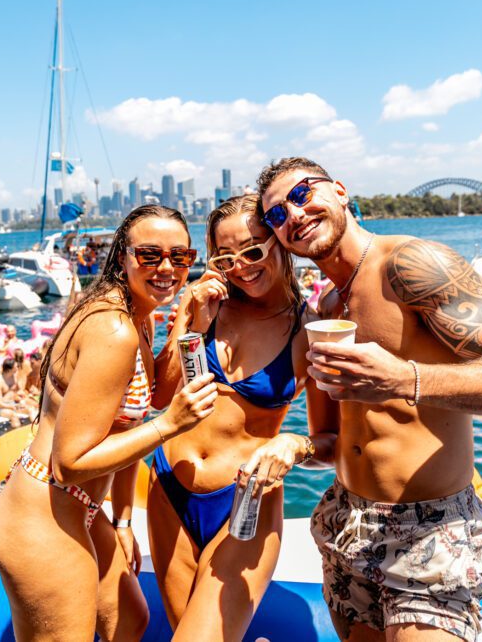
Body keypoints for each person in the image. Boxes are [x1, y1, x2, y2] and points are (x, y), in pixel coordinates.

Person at [257, 156, 482, 642]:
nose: (292, 216)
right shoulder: (328, 308)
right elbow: (334, 441)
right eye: (276, 215)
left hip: (429, 527)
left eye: (302, 194)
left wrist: (406, 379)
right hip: (347, 520)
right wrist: (293, 446)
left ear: (339, 191)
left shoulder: (411, 264)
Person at [0, 205, 218, 641]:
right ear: (122, 257)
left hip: (83, 511)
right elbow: (70, 463)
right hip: (45, 516)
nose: (167, 267)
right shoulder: (114, 330)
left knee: (129, 620)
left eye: (180, 257)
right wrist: (170, 425)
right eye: (150, 255)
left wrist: (124, 521)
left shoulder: (137, 315)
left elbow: (132, 422)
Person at [149, 195, 338, 640]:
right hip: (168, 486)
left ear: (279, 245)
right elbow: (162, 395)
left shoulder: (308, 330)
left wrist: (295, 444)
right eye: (225, 257)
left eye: (253, 251)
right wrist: (192, 323)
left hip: (245, 502)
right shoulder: (205, 308)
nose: (241, 267)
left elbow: (330, 441)